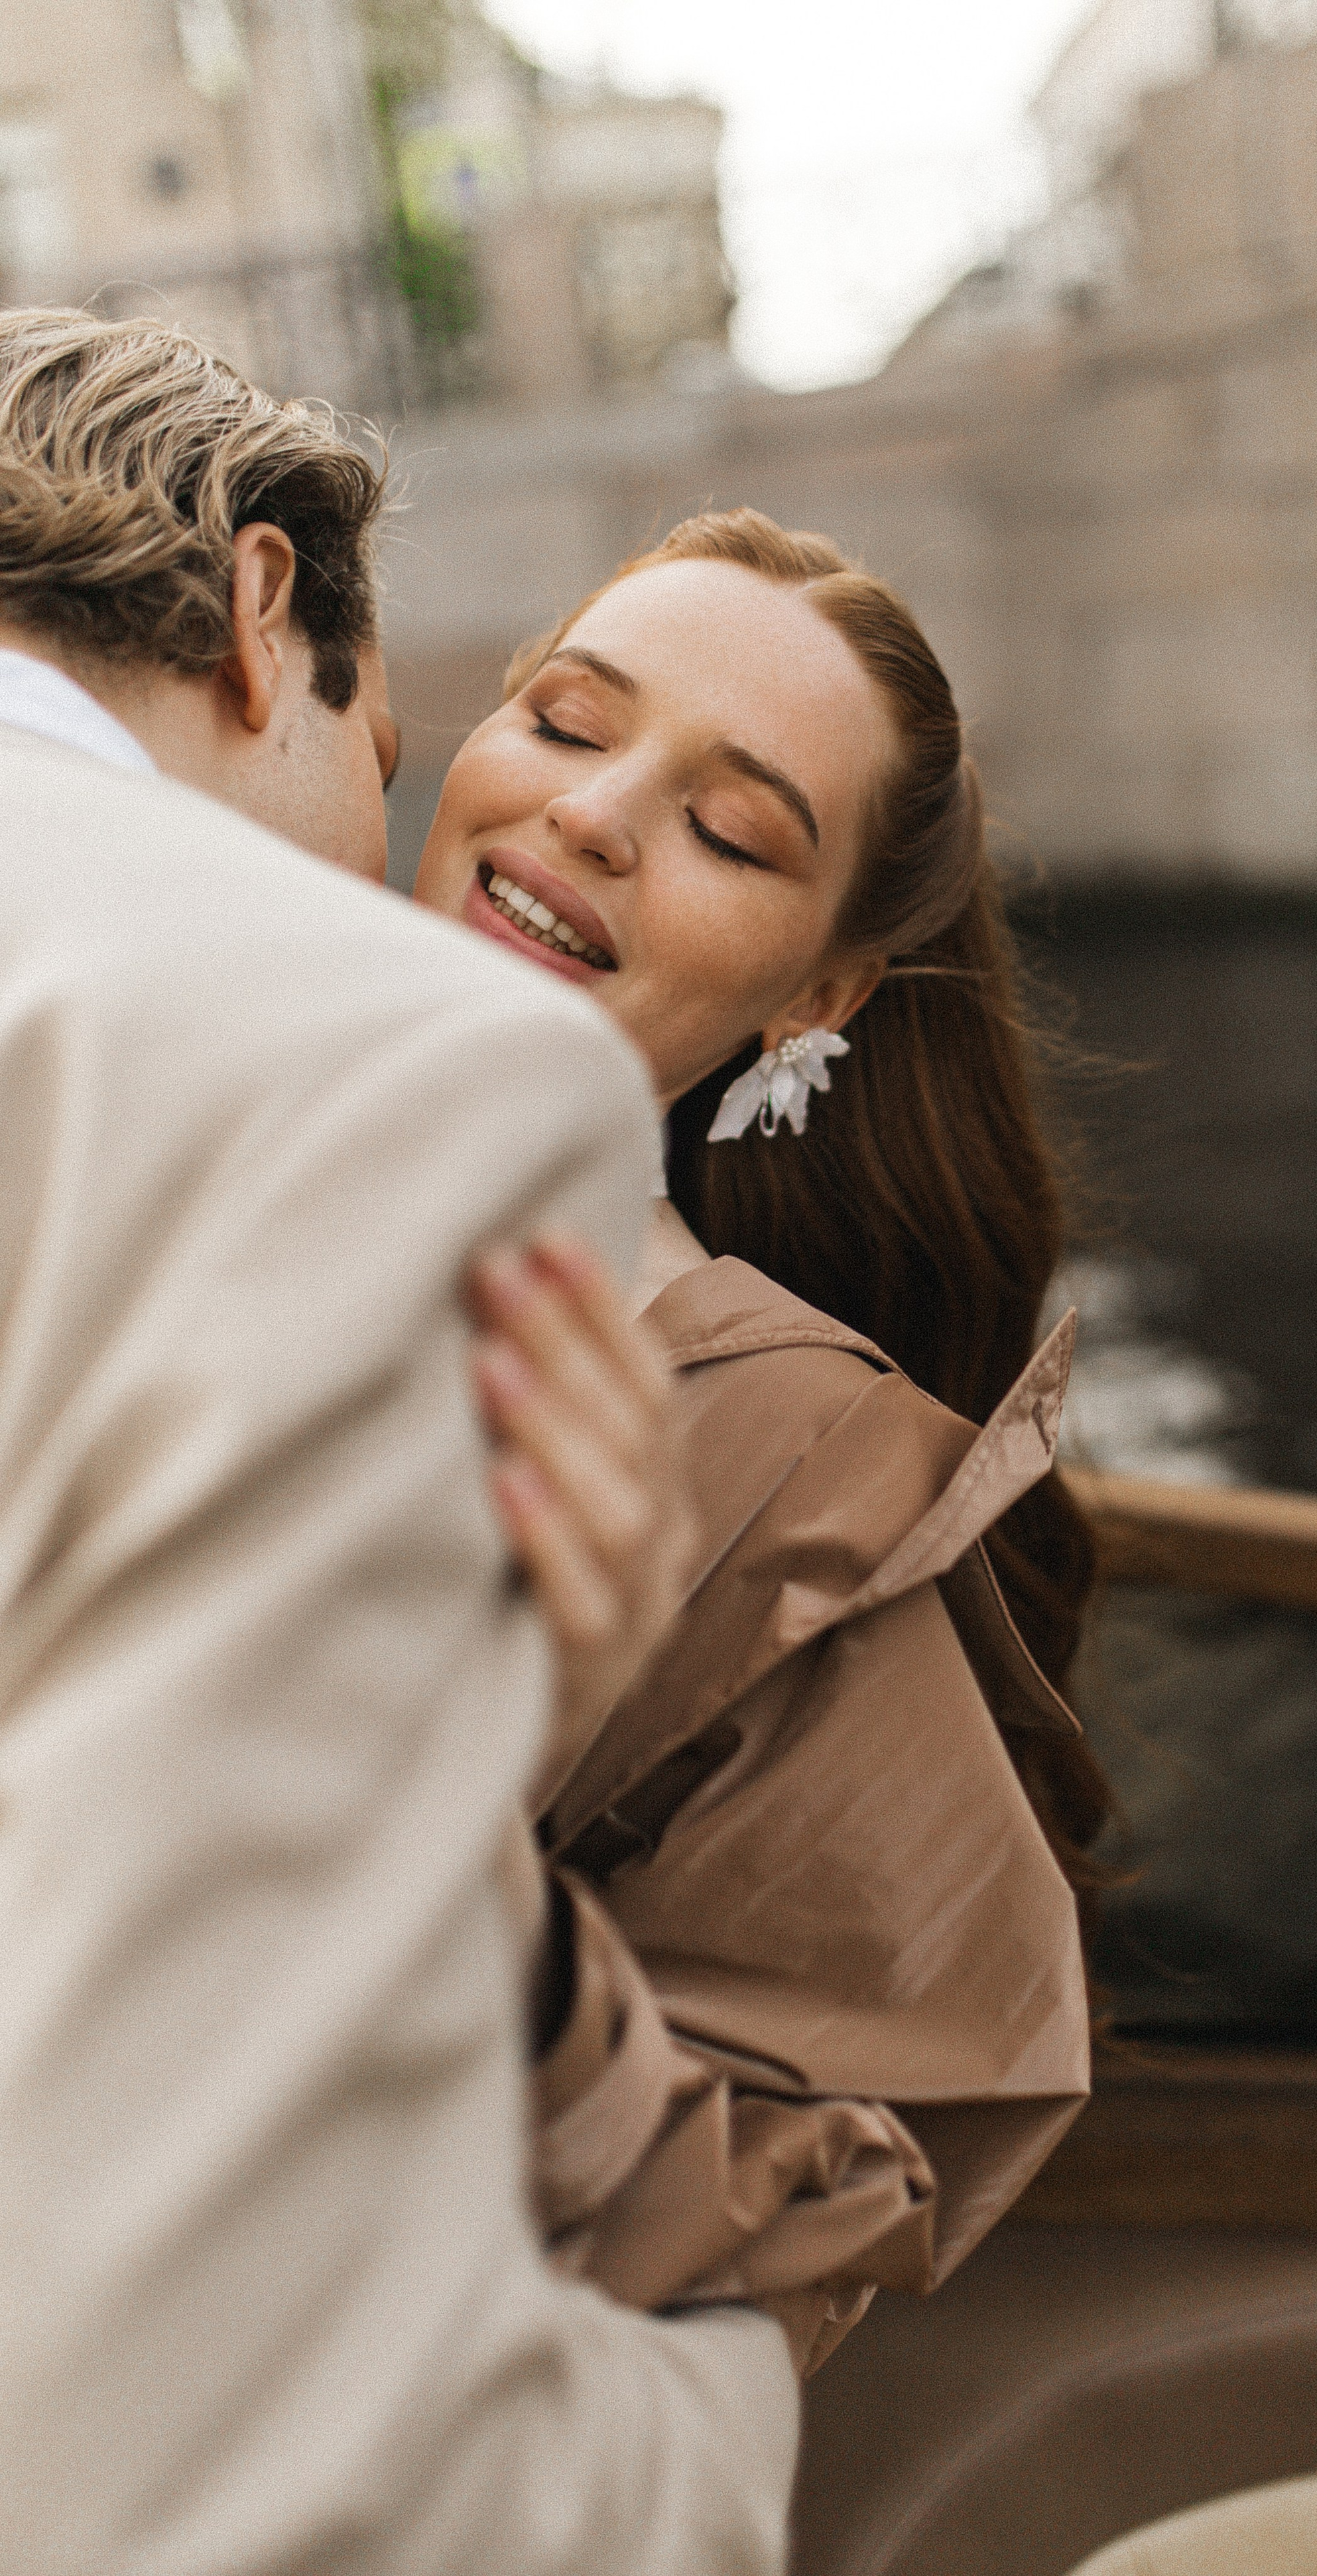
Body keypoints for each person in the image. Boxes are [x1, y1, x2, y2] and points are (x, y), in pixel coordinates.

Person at [0, 309, 796, 2572]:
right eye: (460, 734)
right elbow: (235, 2452)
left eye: (738, 826)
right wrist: (721, 2419)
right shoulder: (386, 1076)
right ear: (267, 612)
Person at [413, 509, 1111, 2370]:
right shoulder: (119, 1141)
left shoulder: (806, 1473)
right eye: (567, 722)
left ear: (817, 997)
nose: (593, 812)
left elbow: (780, 2209)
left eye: (732, 829)